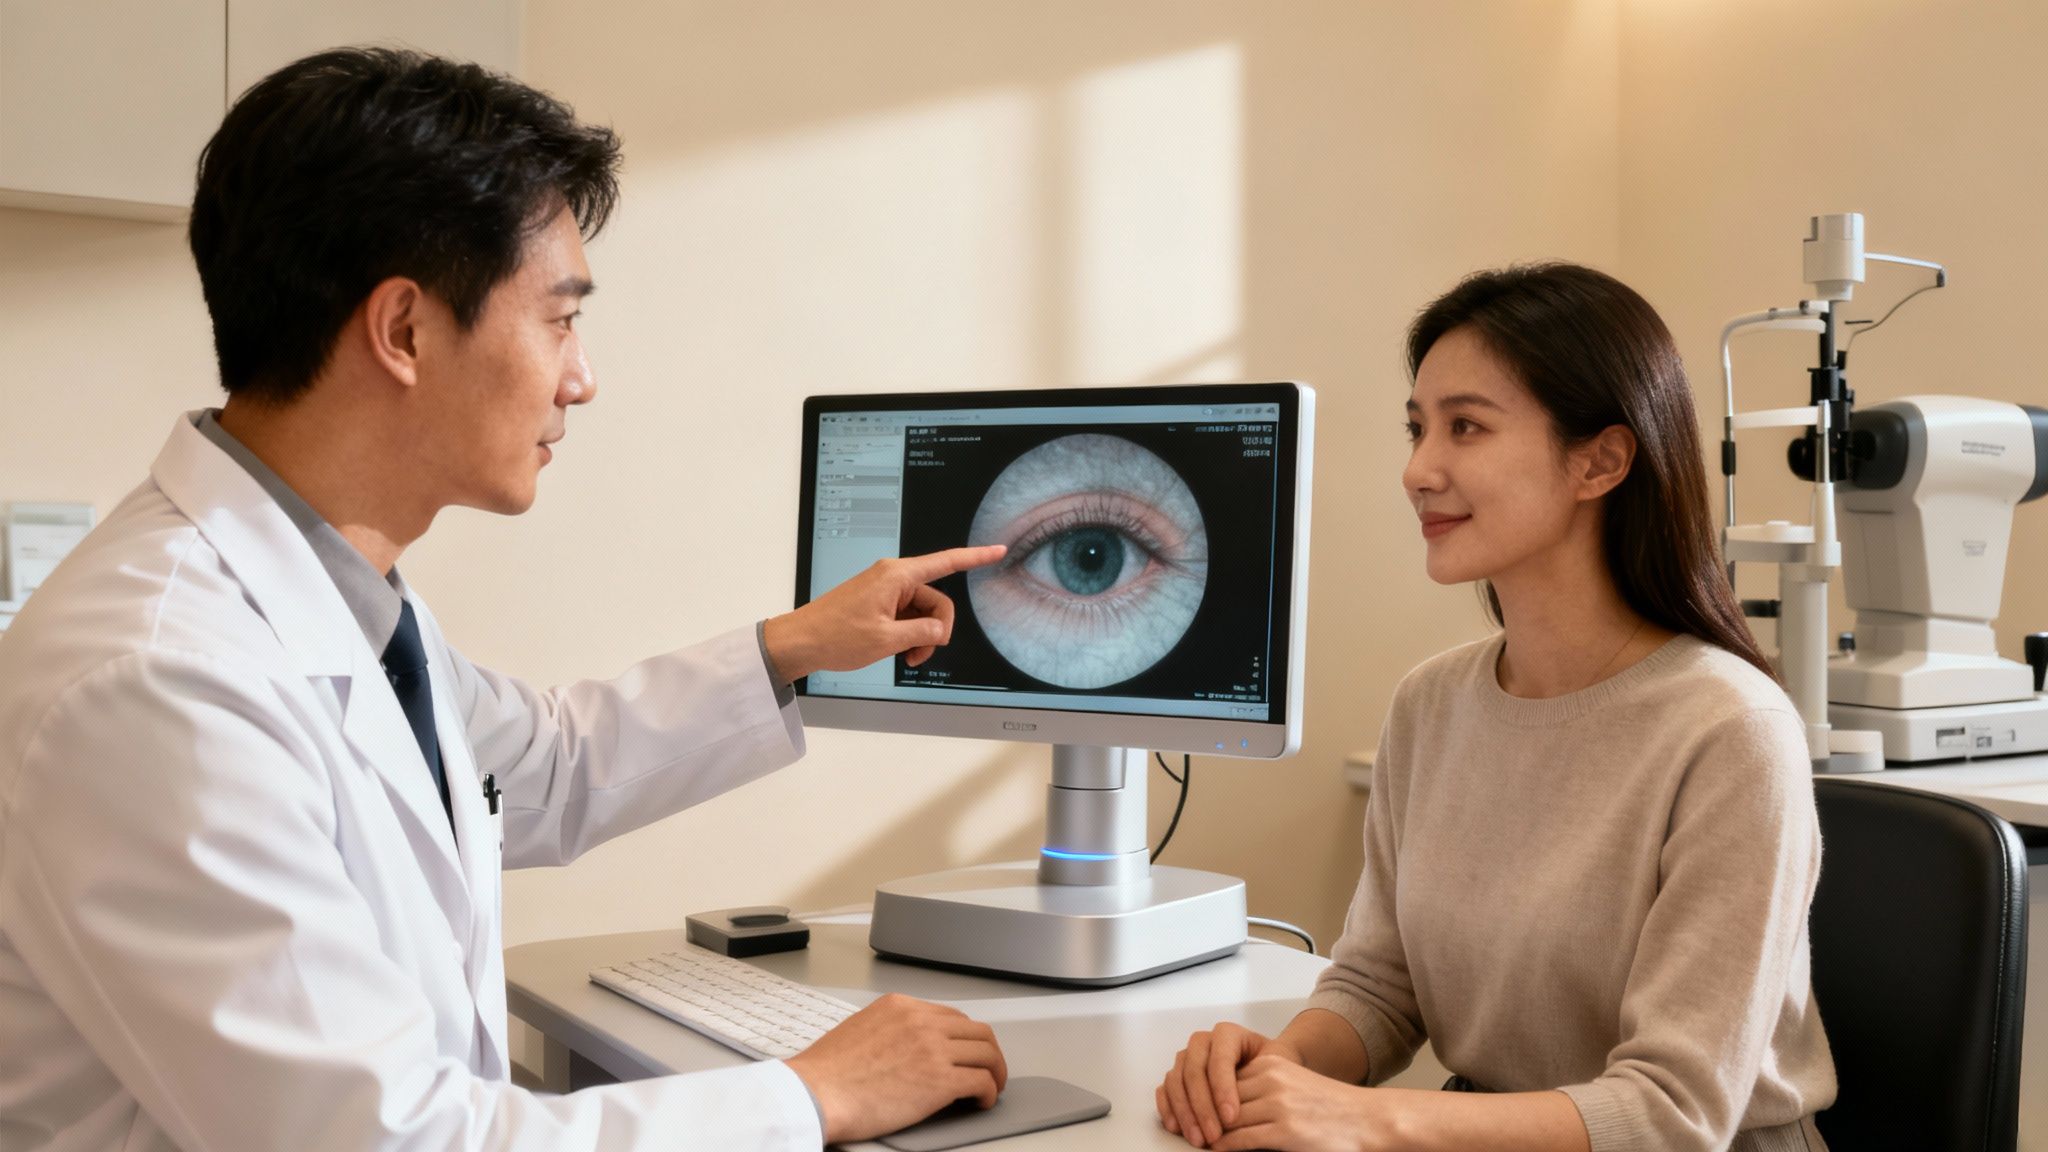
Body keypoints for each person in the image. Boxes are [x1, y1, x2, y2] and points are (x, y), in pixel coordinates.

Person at [0, 48, 1011, 1152]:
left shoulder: (338, 598)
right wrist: (807, 1096)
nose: (581, 378)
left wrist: (793, 647)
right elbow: (395, 1143)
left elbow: (537, 766)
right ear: (404, 331)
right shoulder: (161, 686)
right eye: (560, 319)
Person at [1155, 264, 1837, 1151]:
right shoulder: (1431, 704)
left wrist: (1365, 1119)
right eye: (1417, 428)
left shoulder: (1732, 731)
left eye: (1465, 427)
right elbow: (1379, 988)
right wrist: (1276, 1075)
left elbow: (1672, 1113)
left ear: (1601, 460)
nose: (1417, 470)